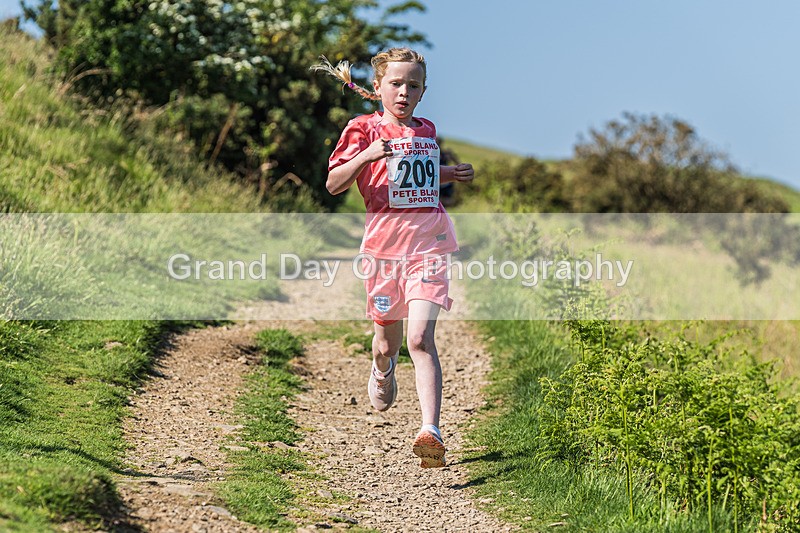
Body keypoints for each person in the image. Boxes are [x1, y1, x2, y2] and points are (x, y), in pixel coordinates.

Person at [312, 48, 474, 468]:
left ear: (423, 92)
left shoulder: (426, 130)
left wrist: (448, 174)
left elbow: (413, 179)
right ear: (378, 86)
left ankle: (430, 431)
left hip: (429, 245)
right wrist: (367, 156)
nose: (404, 92)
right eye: (396, 84)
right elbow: (333, 183)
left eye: (413, 85)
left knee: (421, 338)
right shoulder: (361, 128)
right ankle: (382, 365)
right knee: (389, 341)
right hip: (384, 254)